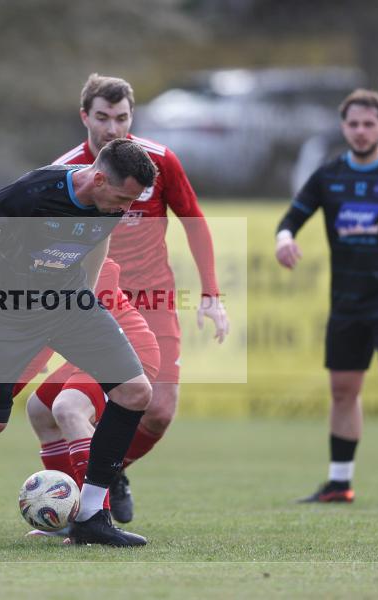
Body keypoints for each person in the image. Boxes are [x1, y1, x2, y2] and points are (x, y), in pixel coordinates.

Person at [0, 138, 157, 547]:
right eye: (123, 198)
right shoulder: (36, 190)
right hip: (6, 314)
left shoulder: (110, 205)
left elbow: (97, 243)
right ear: (99, 178)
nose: (125, 210)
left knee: (134, 392)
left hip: (68, 306)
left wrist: (85, 300)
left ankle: (91, 517)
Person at [52, 74, 229, 522]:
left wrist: (211, 293)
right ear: (84, 117)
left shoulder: (159, 161)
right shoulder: (66, 172)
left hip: (153, 303)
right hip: (97, 306)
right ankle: (86, 505)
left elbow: (194, 221)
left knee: (160, 412)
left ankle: (109, 472)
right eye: (103, 118)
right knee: (69, 407)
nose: (113, 128)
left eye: (123, 118)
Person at [274, 89, 378, 505]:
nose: (361, 131)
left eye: (369, 124)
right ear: (344, 128)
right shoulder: (329, 175)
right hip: (347, 299)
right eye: (354, 124)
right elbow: (292, 217)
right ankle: (339, 483)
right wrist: (284, 239)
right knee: (342, 389)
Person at [0, 234, 160, 534]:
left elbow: (103, 272)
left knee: (68, 408)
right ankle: (67, 515)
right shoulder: (20, 276)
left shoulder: (55, 259)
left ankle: (95, 519)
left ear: (3, 237)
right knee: (39, 410)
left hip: (131, 350)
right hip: (88, 356)